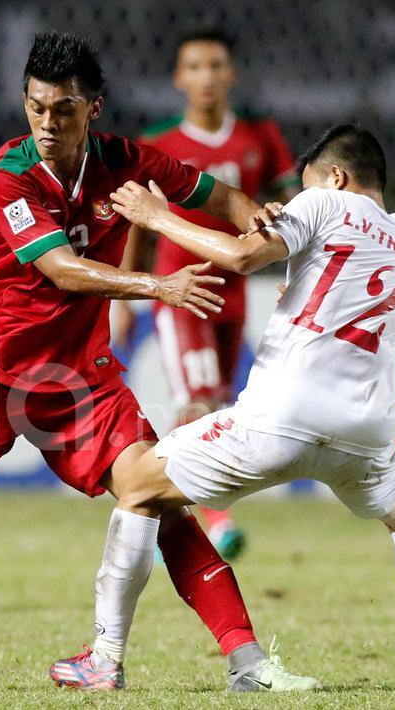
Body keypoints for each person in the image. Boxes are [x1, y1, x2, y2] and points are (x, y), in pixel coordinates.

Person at [0, 31, 317, 694]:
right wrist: (158, 286)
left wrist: (262, 223)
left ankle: (248, 661)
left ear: (92, 108)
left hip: (78, 382)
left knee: (156, 499)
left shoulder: (125, 160)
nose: (47, 123)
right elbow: (60, 270)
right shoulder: (4, 174)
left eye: (62, 109)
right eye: (35, 107)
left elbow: (220, 198)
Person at [58, 125, 395, 694]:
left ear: (337, 178)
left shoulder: (324, 201)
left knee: (139, 489)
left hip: (280, 418)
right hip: (366, 432)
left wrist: (156, 217)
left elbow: (244, 256)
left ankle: (104, 658)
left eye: (309, 184)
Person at [113, 29, 301, 561]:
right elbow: (139, 225)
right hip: (180, 289)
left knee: (213, 403)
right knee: (195, 397)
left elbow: (294, 207)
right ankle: (217, 517)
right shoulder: (159, 143)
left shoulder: (260, 137)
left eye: (216, 65)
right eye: (194, 67)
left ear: (231, 74)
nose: (206, 77)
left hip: (234, 294)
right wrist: (129, 297)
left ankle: (164, 508)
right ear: (179, 79)